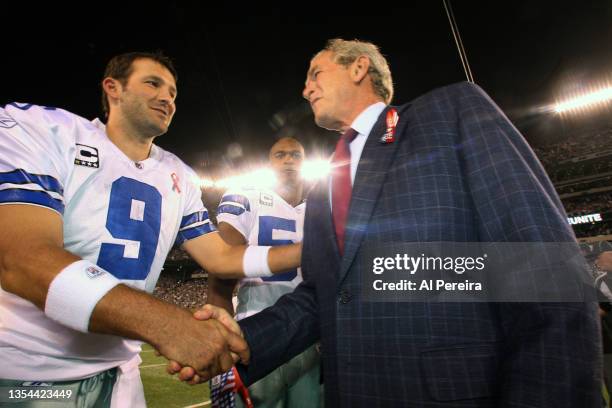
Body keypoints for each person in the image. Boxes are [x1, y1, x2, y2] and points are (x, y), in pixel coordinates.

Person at [176, 38, 602, 406]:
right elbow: (323, 296)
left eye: (316, 73)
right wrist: (243, 341)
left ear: (359, 66)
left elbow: (544, 272)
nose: (305, 89)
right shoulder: (324, 189)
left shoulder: (450, 112)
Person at [0, 51, 300, 407]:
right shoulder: (44, 130)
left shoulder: (180, 175)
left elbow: (220, 257)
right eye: (153, 84)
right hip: (27, 371)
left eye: (173, 92)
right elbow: (22, 260)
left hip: (121, 369)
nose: (167, 98)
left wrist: (312, 249)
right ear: (113, 88)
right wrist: (168, 326)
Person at [207, 137, 321, 407]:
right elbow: (223, 260)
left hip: (307, 336)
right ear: (269, 163)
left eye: (296, 154)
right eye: (280, 154)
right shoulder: (246, 195)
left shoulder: (319, 207)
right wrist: (219, 327)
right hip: (255, 334)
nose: (289, 159)